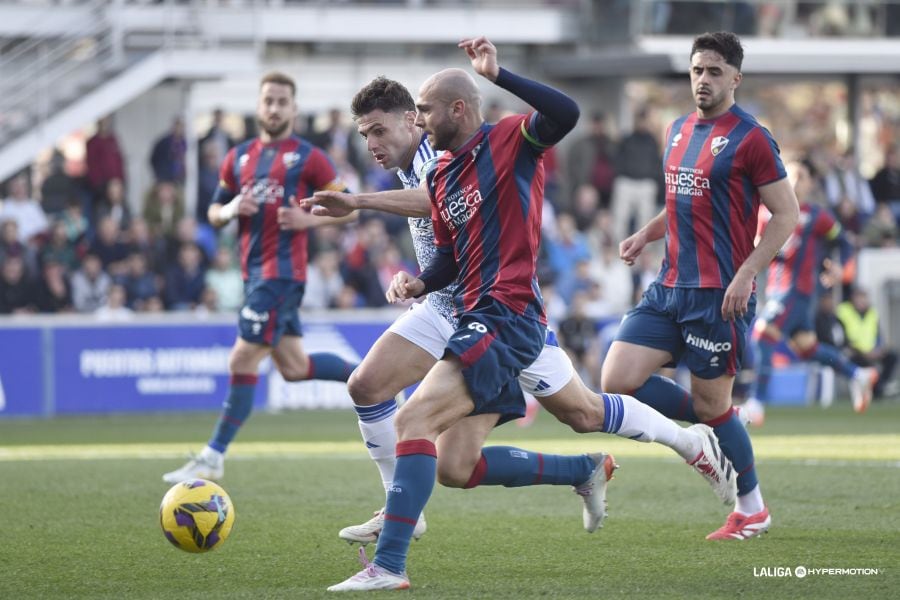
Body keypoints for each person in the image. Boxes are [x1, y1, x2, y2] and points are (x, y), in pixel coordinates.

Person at [327, 38, 734, 593]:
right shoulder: (445, 171)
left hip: (505, 313)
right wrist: (419, 280)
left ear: (454, 110)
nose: (410, 127)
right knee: (453, 458)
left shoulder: (502, 141)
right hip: (462, 308)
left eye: (414, 116)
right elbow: (447, 249)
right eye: (368, 133)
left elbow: (564, 113)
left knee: (425, 419)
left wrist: (498, 75)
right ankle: (577, 471)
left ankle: (392, 558)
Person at [601, 31, 801, 541]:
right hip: (669, 285)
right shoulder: (677, 130)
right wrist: (646, 234)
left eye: (714, 72)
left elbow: (785, 214)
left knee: (714, 407)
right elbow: (681, 201)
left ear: (735, 77)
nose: (703, 80)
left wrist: (747, 271)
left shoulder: (752, 138)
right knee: (616, 377)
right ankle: (715, 430)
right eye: (696, 71)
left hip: (720, 294)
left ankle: (752, 506)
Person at [161, 71, 359, 484]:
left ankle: (213, 455)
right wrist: (233, 209)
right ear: (258, 105)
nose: (274, 108)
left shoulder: (309, 157)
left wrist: (307, 219)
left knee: (241, 357)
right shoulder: (239, 157)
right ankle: (372, 376)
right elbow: (213, 213)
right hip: (253, 274)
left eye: (282, 101)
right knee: (294, 366)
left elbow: (351, 208)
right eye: (268, 100)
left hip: (282, 275)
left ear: (293, 108)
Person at [744, 160, 877, 423]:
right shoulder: (765, 212)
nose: (794, 180)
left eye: (801, 176)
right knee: (807, 349)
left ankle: (756, 403)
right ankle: (858, 375)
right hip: (776, 291)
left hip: (798, 291)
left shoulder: (817, 216)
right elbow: (756, 247)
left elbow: (844, 242)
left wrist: (840, 266)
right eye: (790, 174)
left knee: (762, 335)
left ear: (810, 184)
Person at [837, 286, 897, 401]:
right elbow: (842, 338)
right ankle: (866, 390)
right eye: (859, 297)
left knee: (892, 357)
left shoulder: (872, 313)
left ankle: (878, 389)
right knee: (859, 361)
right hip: (854, 352)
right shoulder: (844, 311)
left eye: (864, 297)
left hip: (872, 351)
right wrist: (863, 352)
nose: (861, 300)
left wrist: (879, 349)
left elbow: (878, 335)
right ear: (853, 298)